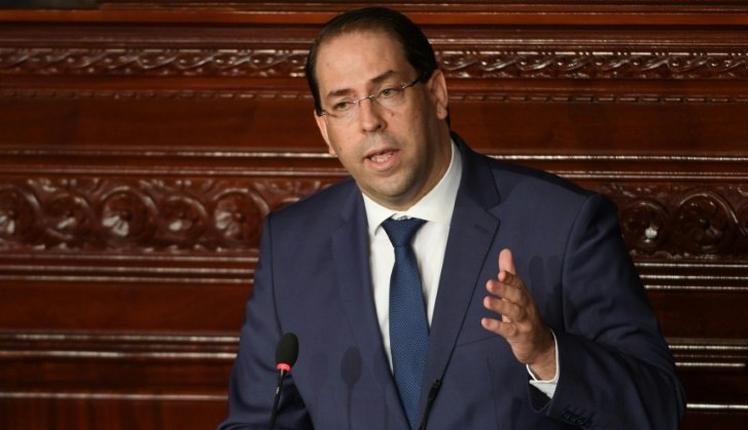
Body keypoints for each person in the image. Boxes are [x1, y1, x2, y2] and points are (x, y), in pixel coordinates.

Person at [219, 7, 685, 430]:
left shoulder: (563, 224)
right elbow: (260, 420)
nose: (369, 122)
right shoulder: (293, 244)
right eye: (343, 104)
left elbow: (657, 408)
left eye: (387, 91)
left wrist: (546, 353)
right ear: (324, 129)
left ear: (437, 94)